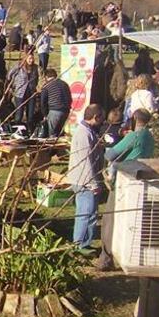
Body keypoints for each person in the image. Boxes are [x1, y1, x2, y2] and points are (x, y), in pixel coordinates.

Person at [96, 108, 155, 271]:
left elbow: (110, 155)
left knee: (109, 220)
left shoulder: (133, 136)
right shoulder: (149, 137)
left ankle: (106, 259)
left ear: (134, 120)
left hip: (123, 181)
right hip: (141, 180)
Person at [65, 104, 105, 250]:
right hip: (84, 181)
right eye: (101, 118)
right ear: (95, 117)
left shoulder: (88, 132)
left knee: (91, 214)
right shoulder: (84, 134)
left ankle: (86, 243)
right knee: (85, 213)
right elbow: (85, 161)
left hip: (85, 179)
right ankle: (80, 244)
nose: (102, 121)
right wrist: (93, 184)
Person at [9, 52, 39, 128]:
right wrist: (13, 85)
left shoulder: (35, 68)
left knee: (31, 114)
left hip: (31, 93)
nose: (31, 60)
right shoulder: (19, 66)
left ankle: (30, 129)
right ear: (25, 59)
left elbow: (37, 78)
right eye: (29, 58)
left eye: (32, 58)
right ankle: (16, 129)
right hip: (20, 93)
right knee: (19, 114)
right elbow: (9, 75)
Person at [38, 69, 71, 137]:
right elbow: (69, 98)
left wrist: (45, 114)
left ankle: (52, 147)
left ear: (46, 77)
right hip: (65, 111)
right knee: (60, 133)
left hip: (54, 111)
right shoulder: (64, 84)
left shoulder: (46, 86)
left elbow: (43, 102)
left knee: (52, 134)